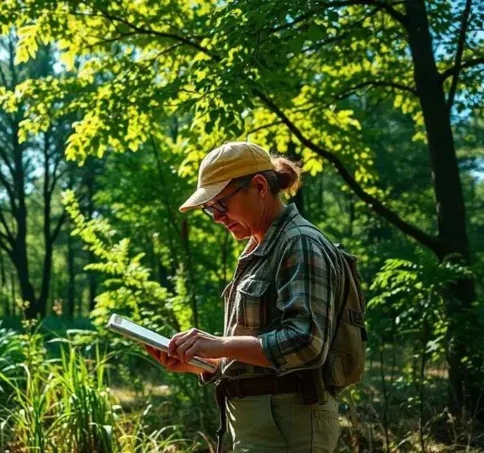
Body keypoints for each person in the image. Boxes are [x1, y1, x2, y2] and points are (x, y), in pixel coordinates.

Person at [145, 141, 345, 452]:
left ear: (260, 186)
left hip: (288, 423)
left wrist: (219, 344)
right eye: (209, 208)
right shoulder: (257, 248)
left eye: (221, 204)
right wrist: (204, 362)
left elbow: (307, 343)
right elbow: (258, 355)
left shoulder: (300, 243)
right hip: (259, 423)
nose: (216, 217)